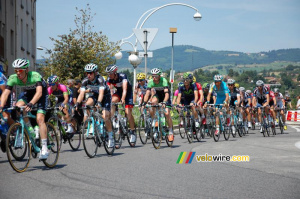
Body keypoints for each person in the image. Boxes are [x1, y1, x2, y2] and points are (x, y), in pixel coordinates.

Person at [0, 58, 49, 159]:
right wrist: (1, 106)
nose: (18, 73)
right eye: (16, 70)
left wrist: (31, 104)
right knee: (17, 108)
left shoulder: (35, 75)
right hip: (27, 94)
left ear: (26, 70)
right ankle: (29, 129)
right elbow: (5, 93)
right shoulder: (13, 78)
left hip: (40, 94)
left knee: (40, 119)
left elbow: (39, 92)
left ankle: (44, 148)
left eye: (20, 70)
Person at [75, 63, 114, 147]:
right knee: (87, 105)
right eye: (87, 73)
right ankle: (94, 122)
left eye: (90, 73)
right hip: (95, 95)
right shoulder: (85, 81)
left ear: (95, 73)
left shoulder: (100, 79)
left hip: (105, 96)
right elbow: (81, 94)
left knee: (105, 117)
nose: (88, 75)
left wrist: (99, 103)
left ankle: (111, 136)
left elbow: (101, 93)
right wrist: (77, 104)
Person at [105, 64, 136, 144]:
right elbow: (109, 90)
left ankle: (132, 131)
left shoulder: (123, 76)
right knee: (112, 101)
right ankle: (114, 117)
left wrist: (123, 99)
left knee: (128, 113)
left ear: (115, 72)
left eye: (110, 73)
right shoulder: (109, 79)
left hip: (127, 93)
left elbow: (125, 89)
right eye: (108, 74)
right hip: (118, 92)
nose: (109, 75)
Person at [143, 68, 174, 141]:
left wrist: (164, 102)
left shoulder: (163, 81)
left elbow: (166, 94)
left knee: (167, 114)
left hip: (166, 97)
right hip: (158, 96)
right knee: (153, 103)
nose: (154, 78)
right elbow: (147, 93)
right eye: (153, 76)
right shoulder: (151, 82)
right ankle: (155, 119)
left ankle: (170, 131)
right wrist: (144, 102)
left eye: (156, 76)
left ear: (159, 76)